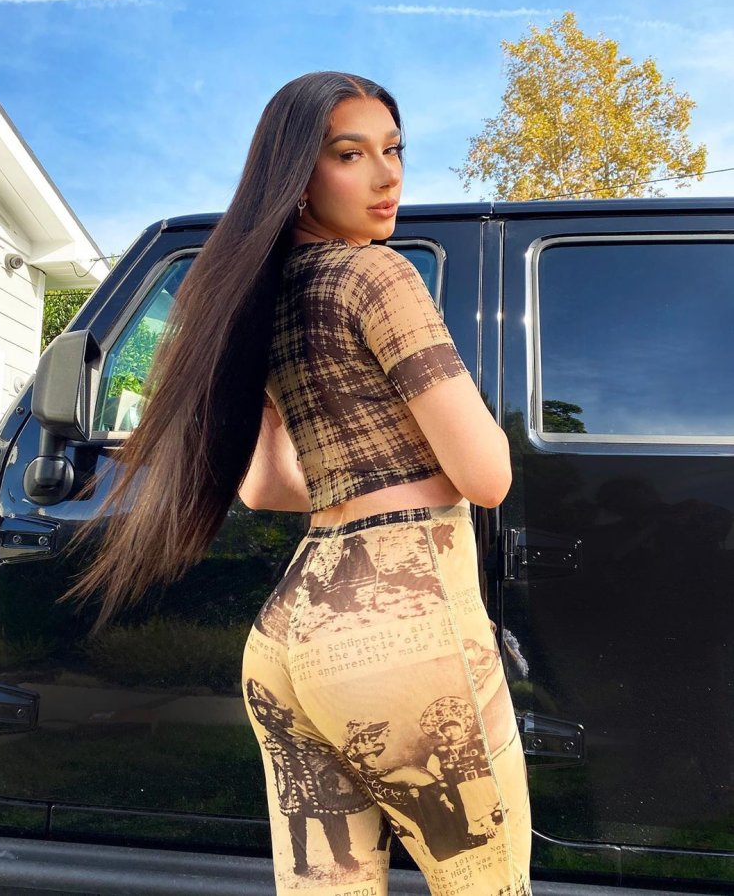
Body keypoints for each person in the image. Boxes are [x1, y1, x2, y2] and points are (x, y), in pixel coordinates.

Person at [62, 71, 531, 896]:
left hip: (290, 642)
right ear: (297, 175)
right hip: (402, 631)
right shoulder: (379, 276)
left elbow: (266, 488)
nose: (386, 176)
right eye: (351, 155)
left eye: (393, 151)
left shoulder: (261, 298)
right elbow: (486, 475)